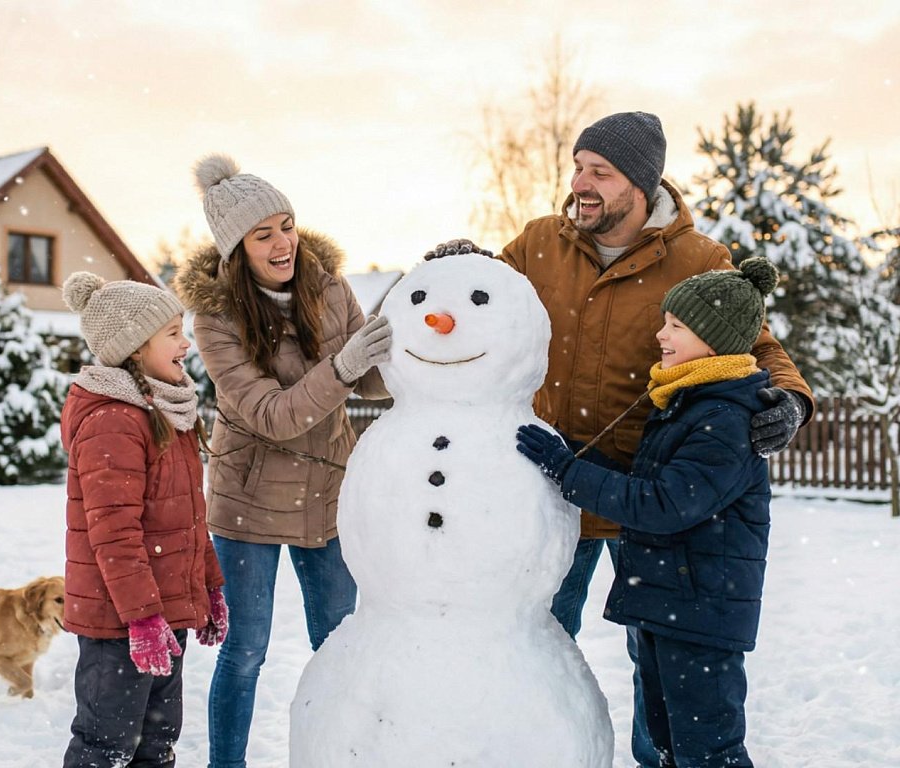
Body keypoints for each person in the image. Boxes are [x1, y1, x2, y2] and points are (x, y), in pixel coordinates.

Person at [431, 110, 814, 766]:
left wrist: (793, 401)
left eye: (598, 172)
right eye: (578, 166)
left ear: (639, 185)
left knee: (661, 663)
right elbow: (485, 299)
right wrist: (461, 270)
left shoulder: (697, 260)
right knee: (536, 641)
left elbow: (756, 343)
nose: (580, 181)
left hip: (646, 495)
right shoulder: (539, 244)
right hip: (549, 489)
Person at [516, 256, 783, 767]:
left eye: (676, 326)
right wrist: (568, 450)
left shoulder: (725, 418)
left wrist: (568, 473)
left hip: (701, 616)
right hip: (672, 605)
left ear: (714, 340)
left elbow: (663, 504)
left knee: (708, 753)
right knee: (666, 745)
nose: (661, 334)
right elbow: (647, 482)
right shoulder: (688, 400)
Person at [173, 154, 391, 768]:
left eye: (287, 225)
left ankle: (340, 755)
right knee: (245, 649)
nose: (282, 242)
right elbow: (273, 414)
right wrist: (345, 368)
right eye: (262, 234)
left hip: (327, 493)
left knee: (338, 643)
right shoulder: (215, 319)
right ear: (236, 249)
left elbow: (369, 382)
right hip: (249, 504)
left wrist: (408, 352)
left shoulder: (330, 287)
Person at [59, 271, 227, 768]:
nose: (186, 342)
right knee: (106, 747)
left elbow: (188, 519)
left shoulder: (164, 412)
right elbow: (114, 533)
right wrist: (142, 618)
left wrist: (209, 587)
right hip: (120, 623)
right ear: (135, 348)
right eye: (173, 332)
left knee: (155, 746)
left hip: (162, 614)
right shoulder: (114, 420)